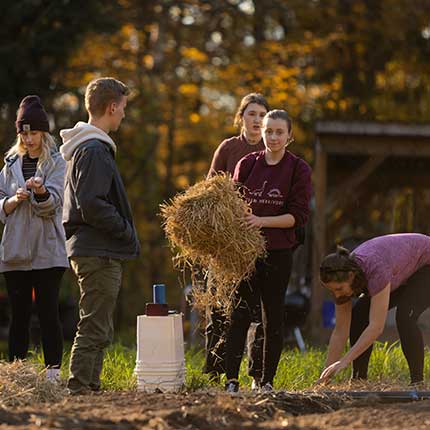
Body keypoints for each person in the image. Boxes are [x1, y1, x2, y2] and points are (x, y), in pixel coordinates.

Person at [60, 77, 140, 395]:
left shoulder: (91, 147)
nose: (123, 114)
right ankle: (79, 387)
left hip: (95, 247)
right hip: (98, 249)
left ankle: (90, 386)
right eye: (122, 108)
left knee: (100, 323)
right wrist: (123, 229)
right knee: (94, 324)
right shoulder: (94, 150)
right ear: (111, 106)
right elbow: (91, 203)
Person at [224, 109, 312, 392]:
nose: (273, 137)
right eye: (268, 131)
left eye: (279, 132)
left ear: (289, 136)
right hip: (245, 252)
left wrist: (261, 221)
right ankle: (231, 380)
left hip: (278, 251)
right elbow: (232, 204)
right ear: (261, 132)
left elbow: (297, 217)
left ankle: (266, 381)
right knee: (238, 313)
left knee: (272, 315)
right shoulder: (247, 164)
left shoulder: (298, 169)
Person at [0, 95, 68, 381]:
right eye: (24, 133)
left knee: (48, 313)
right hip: (15, 252)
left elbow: (53, 204)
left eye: (34, 133)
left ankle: (52, 372)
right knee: (19, 316)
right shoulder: (9, 163)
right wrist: (12, 202)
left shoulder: (56, 163)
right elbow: (1, 203)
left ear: (44, 133)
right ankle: (18, 373)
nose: (28, 139)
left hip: (47, 252)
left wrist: (39, 192)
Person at [206, 93, 269, 387]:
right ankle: (214, 372)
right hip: (225, 241)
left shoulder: (273, 153)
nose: (256, 120)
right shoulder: (230, 147)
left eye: (262, 115)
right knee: (219, 308)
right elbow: (210, 187)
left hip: (259, 240)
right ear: (241, 117)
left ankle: (255, 373)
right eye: (252, 114)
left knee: (255, 312)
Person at [319, 233, 430, 385]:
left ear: (351, 276)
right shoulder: (344, 278)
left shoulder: (376, 269)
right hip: (402, 270)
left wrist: (344, 361)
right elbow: (340, 331)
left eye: (339, 288)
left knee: (405, 316)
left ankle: (418, 383)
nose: (337, 295)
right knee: (359, 314)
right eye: (333, 290)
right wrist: (325, 378)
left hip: (426, 265)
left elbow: (376, 327)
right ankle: (359, 380)